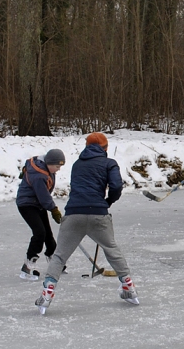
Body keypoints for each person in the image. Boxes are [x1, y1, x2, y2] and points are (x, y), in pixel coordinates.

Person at [35, 132, 137, 314]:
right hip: (98, 214)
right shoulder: (109, 163)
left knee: (59, 256)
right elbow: (116, 186)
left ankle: (48, 291)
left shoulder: (77, 164)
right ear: (105, 148)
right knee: (112, 249)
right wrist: (108, 202)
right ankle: (128, 287)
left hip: (74, 214)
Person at [15, 148, 66, 280]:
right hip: (27, 204)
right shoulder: (40, 175)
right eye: (57, 166)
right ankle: (27, 267)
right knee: (39, 233)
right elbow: (43, 195)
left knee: (47, 233)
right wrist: (53, 209)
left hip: (37, 203)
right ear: (49, 163)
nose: (58, 169)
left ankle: (54, 261)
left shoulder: (46, 168)